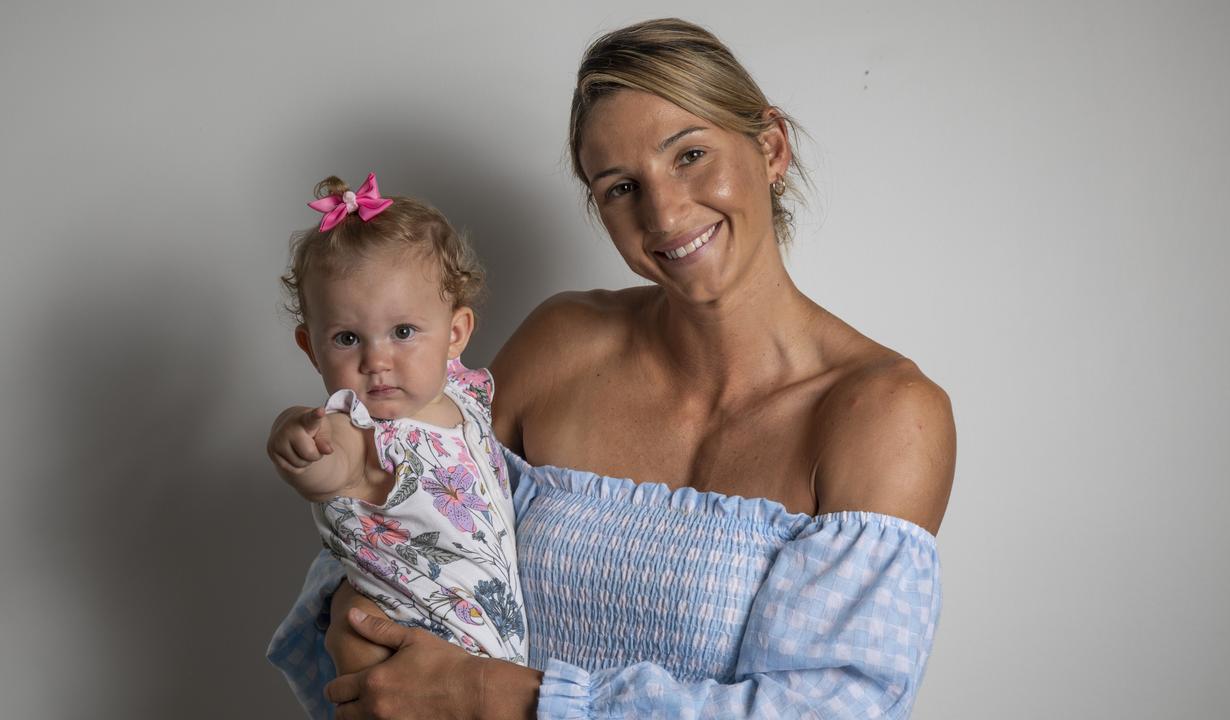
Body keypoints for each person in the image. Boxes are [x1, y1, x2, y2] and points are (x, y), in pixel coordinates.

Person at [268, 17, 955, 719]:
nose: (663, 211)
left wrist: (502, 697)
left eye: (689, 155)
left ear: (771, 148)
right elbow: (410, 536)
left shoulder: (885, 416)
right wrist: (356, 634)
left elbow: (830, 711)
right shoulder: (562, 344)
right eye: (621, 187)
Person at [267, 173, 527, 677]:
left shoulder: (462, 393)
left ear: (455, 334)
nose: (376, 360)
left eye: (403, 332)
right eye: (347, 339)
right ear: (310, 348)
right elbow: (324, 466)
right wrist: (295, 436)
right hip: (412, 661)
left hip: (493, 656)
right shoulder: (359, 428)